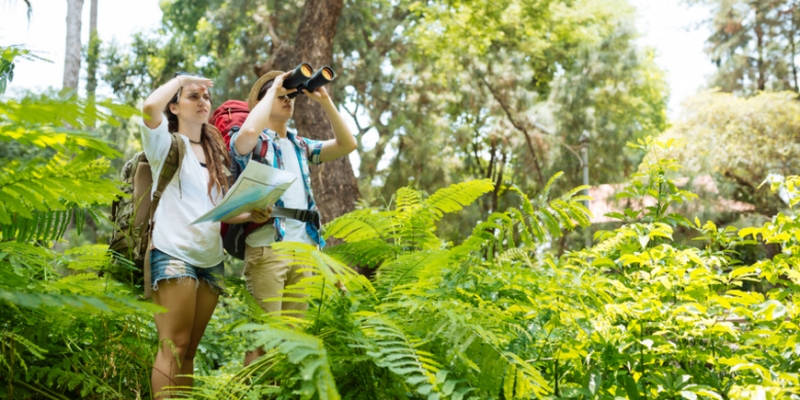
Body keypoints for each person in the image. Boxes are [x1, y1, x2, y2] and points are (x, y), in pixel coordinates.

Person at [140, 74, 271, 398]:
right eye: (192, 96)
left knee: (190, 351)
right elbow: (148, 107)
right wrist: (181, 79)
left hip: (210, 260)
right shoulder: (165, 144)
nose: (203, 102)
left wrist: (250, 213)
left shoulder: (214, 153)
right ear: (175, 105)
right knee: (174, 345)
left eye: (205, 97)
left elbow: (220, 211)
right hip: (173, 253)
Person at [230, 69, 357, 366]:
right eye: (280, 96)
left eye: (291, 96)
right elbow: (248, 134)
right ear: (262, 102)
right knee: (264, 341)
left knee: (290, 341)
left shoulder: (300, 146)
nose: (288, 100)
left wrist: (324, 100)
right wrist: (274, 86)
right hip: (268, 249)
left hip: (304, 251)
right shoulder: (252, 141)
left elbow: (348, 144)